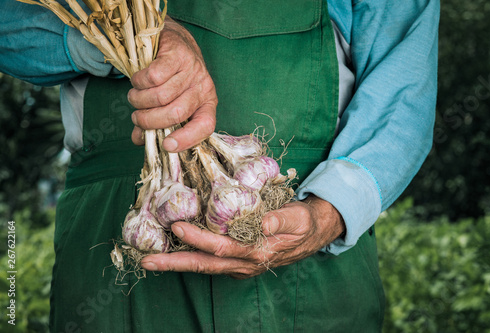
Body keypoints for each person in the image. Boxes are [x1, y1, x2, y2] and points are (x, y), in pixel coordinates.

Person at [0, 0, 439, 331]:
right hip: (110, 246)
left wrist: (327, 215)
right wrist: (130, 39)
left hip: (311, 248)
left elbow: (405, 78)